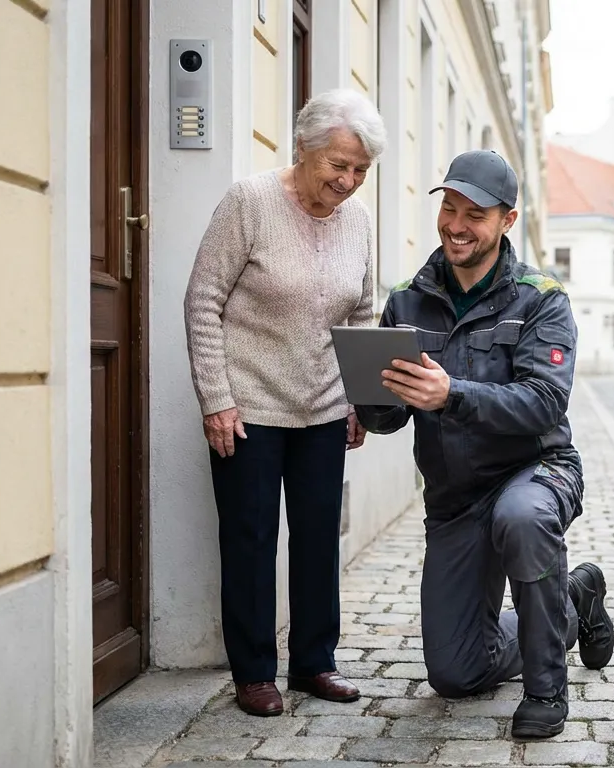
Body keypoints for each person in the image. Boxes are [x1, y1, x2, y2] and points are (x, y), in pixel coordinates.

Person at [355, 149, 614, 739]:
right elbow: (391, 418)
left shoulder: (540, 298)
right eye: (449, 209)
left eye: (475, 215)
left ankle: (546, 689)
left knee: (522, 518)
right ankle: (573, 603)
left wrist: (450, 394)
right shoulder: (407, 300)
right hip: (455, 498)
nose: (456, 225)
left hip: (536, 471)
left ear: (506, 221)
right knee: (455, 672)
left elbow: (544, 402)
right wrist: (370, 400)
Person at [183, 88, 387, 717]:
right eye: (338, 165)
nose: (348, 181)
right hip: (247, 407)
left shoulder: (358, 220)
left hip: (323, 406)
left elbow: (362, 313)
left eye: (360, 170)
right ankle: (253, 673)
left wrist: (359, 398)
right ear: (303, 148)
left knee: (319, 536)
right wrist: (216, 398)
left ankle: (314, 663)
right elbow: (203, 302)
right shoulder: (249, 202)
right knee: (250, 538)